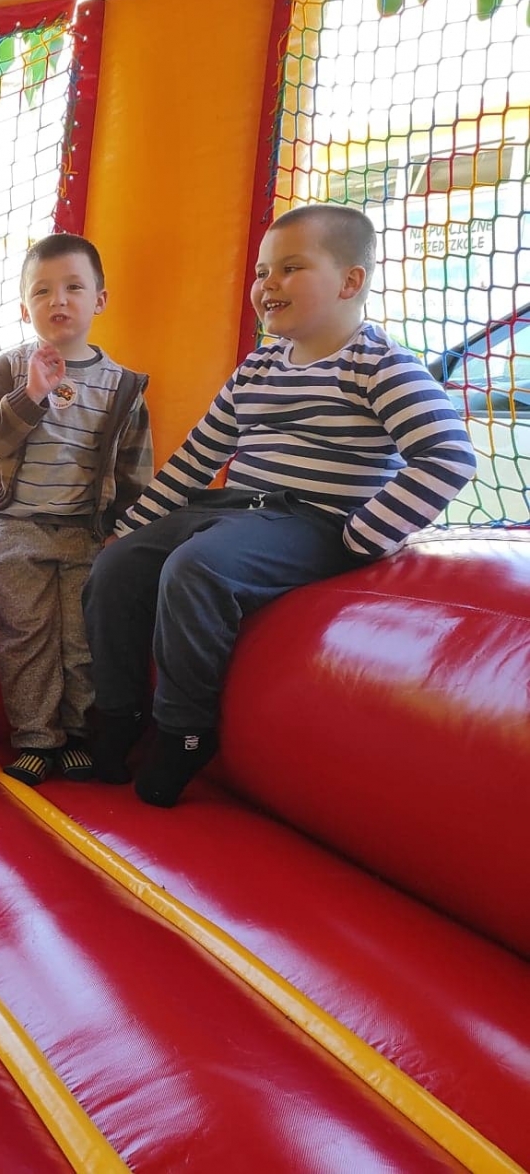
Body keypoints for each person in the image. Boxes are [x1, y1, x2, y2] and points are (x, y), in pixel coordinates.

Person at [84, 203, 477, 807]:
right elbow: (196, 458)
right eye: (262, 271)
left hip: (313, 518)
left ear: (350, 281)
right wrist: (132, 527)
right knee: (117, 566)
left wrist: (363, 536)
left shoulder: (377, 365)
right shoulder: (259, 366)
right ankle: (118, 712)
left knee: (197, 568)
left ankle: (185, 730)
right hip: (238, 507)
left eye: (291, 268)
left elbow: (448, 456)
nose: (268, 284)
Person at [0, 234, 153, 785]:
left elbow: (133, 470)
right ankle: (36, 738)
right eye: (42, 291)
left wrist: (125, 530)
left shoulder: (122, 385)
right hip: (16, 525)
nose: (58, 300)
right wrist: (29, 394)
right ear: (25, 308)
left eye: (74, 287)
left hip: (83, 532)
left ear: (100, 300)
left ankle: (75, 735)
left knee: (80, 640)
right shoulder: (10, 369)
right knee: (24, 637)